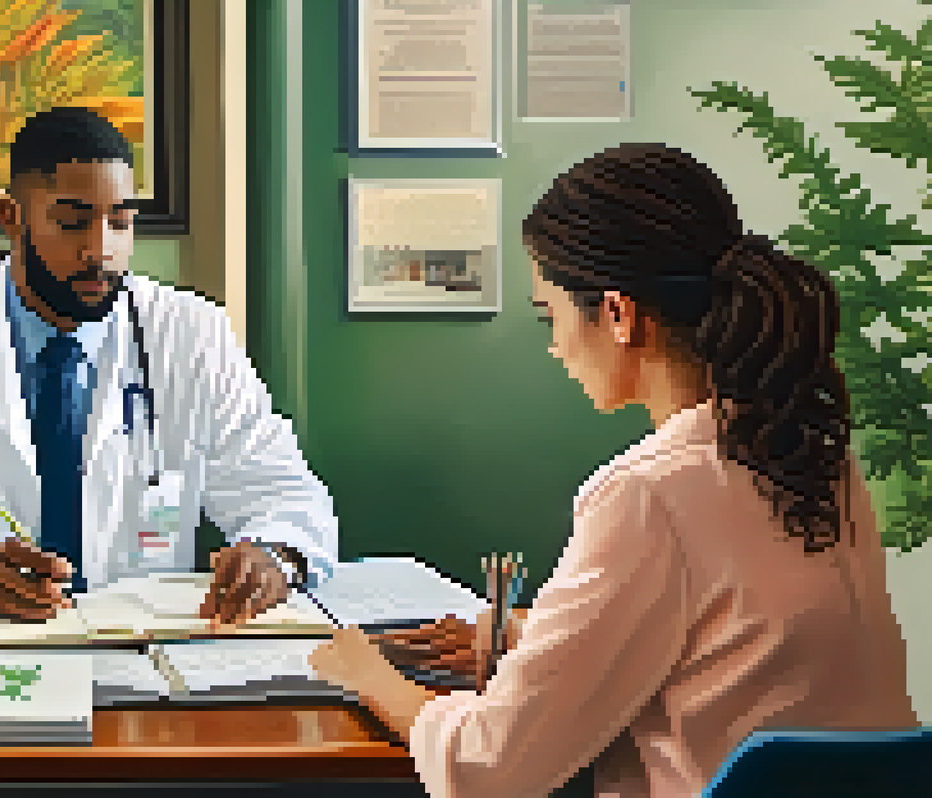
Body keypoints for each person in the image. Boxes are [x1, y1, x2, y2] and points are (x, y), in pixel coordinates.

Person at [309, 143, 917, 797]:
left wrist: (367, 675)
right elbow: (736, 652)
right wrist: (522, 634)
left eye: (551, 314)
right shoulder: (818, 459)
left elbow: (488, 770)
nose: (553, 345)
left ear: (619, 315)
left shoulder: (647, 495)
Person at [0, 106, 338, 625]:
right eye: (73, 223)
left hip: (140, 660)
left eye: (120, 223)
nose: (100, 250)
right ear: (12, 216)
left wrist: (274, 556)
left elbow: (286, 493)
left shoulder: (193, 334)